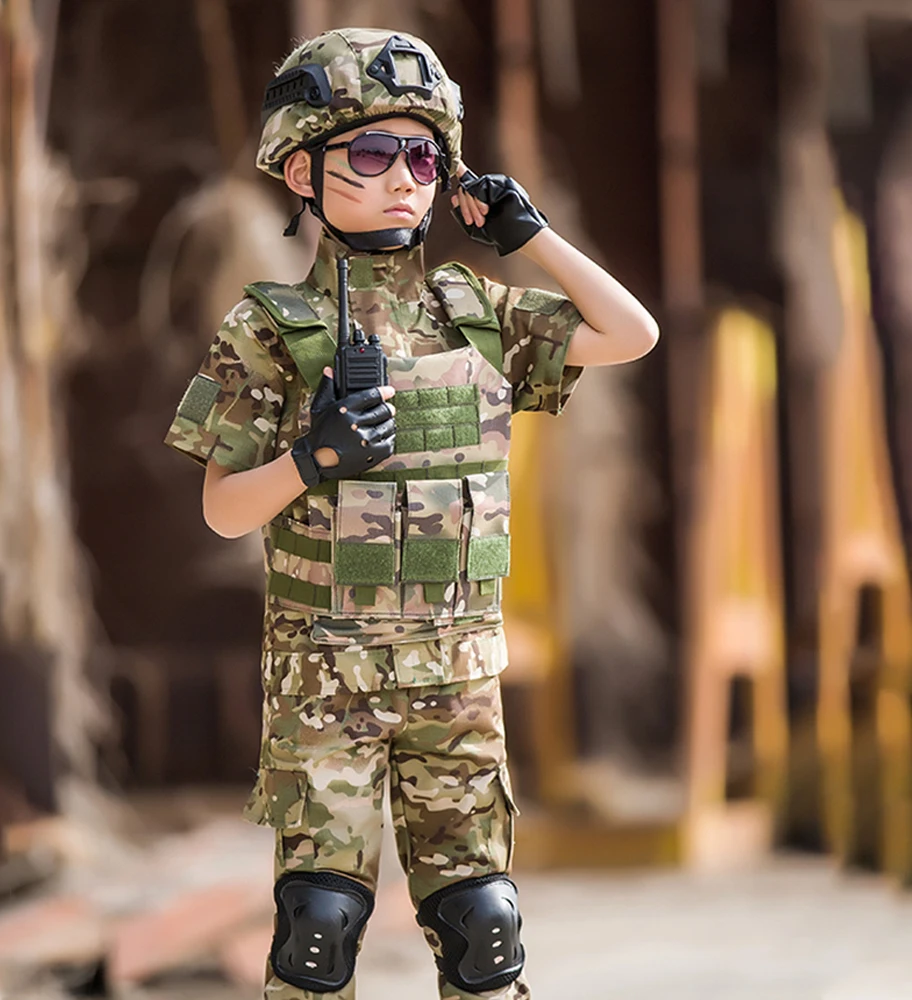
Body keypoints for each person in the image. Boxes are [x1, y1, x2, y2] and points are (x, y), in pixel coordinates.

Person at [164, 27, 658, 1000]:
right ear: (301, 170)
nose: (404, 177)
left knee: (485, 928)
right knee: (320, 928)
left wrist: (533, 237)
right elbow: (223, 510)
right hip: (325, 681)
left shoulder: (477, 311)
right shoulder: (271, 327)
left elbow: (629, 333)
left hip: (458, 681)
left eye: (423, 154)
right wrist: (313, 459)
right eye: (373, 153)